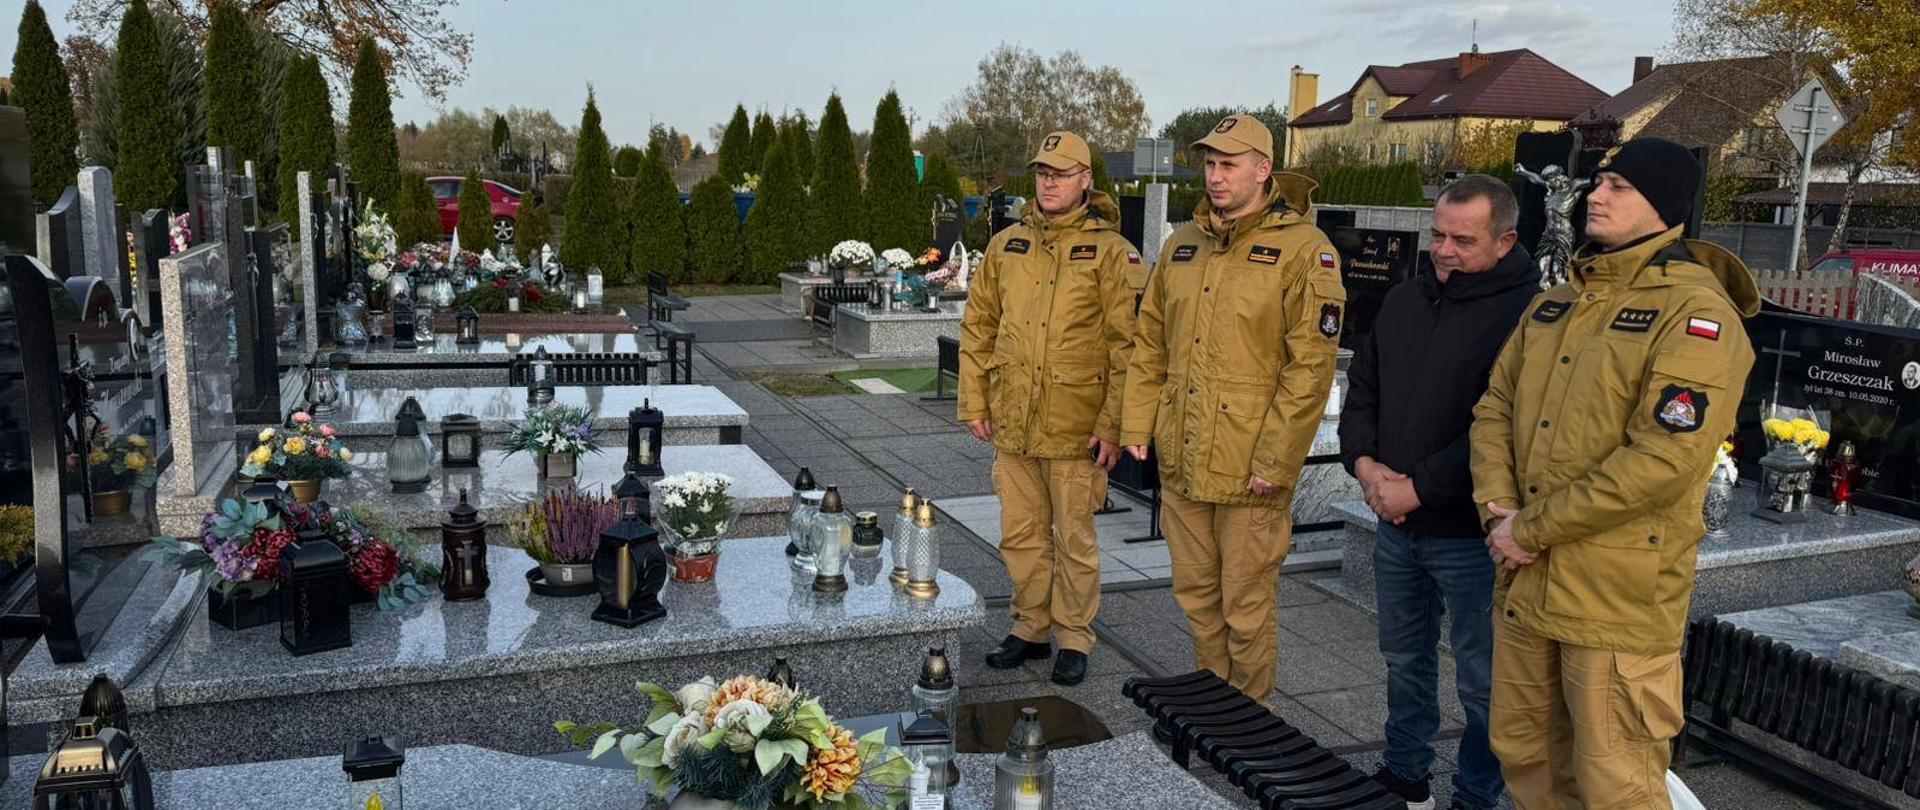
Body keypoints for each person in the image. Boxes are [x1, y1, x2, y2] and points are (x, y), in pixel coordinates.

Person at [1469, 137, 1758, 809]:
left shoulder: (1697, 313)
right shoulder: (1558, 302)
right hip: (1527, 578)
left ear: (1664, 205)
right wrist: (1498, 510)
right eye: (1598, 181)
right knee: (1527, 756)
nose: (1595, 195)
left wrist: (1530, 528)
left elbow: (1661, 459)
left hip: (1614, 599)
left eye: (1618, 187)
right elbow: (1494, 408)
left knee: (1616, 780)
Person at [1120, 115, 1344, 702]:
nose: (1215, 178)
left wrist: (1277, 459)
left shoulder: (1305, 252)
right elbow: (1151, 342)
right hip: (1185, 455)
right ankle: (1211, 704)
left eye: (1229, 165)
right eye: (1210, 165)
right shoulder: (1182, 244)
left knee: (1245, 605)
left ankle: (1250, 721)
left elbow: (1310, 369)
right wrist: (1139, 422)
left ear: (1263, 169)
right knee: (1197, 596)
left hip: (1251, 468)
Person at [1340, 175, 1537, 810]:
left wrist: (1418, 489)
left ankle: (1478, 795)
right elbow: (1363, 386)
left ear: (1505, 242)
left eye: (1462, 239)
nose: (1443, 251)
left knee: (1484, 682)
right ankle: (1405, 776)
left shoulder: (1530, 315)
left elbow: (1499, 425)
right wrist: (1367, 468)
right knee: (1403, 658)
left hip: (1471, 536)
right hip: (1394, 522)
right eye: (1437, 235)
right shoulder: (1406, 298)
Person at [957, 130, 1142, 686]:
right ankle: (1030, 628)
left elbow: (1127, 346)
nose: (1049, 182)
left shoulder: (1113, 252)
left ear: (1086, 179)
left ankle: (1074, 636)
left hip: (1076, 427)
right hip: (1014, 420)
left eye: (1061, 173)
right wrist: (974, 398)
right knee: (1021, 533)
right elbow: (979, 324)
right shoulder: (1006, 245)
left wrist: (1114, 425)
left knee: (1075, 538)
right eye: (1042, 172)